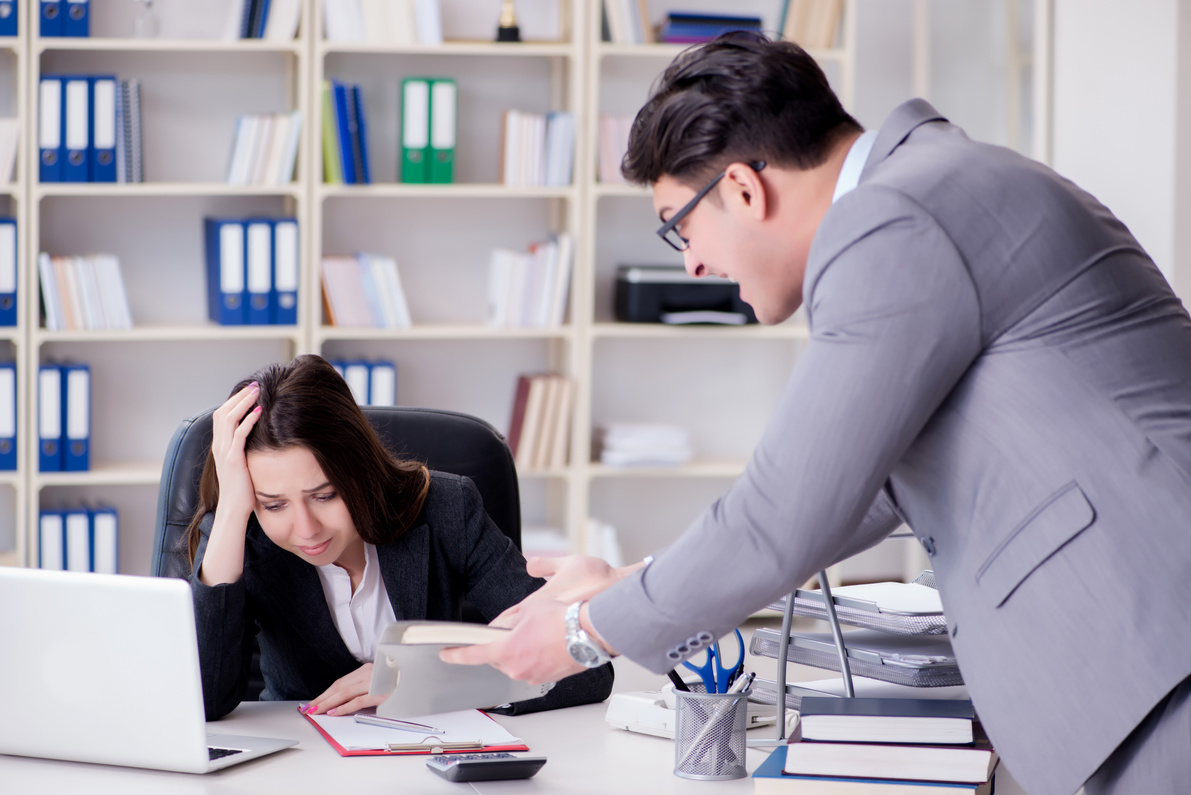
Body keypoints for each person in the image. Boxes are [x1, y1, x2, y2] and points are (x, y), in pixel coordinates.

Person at [442, 33, 1191, 795]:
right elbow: (850, 497)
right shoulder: (930, 191)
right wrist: (626, 583)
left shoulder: (891, 218)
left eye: (679, 227)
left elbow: (783, 511)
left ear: (741, 188)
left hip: (1158, 662)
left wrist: (582, 634)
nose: (691, 264)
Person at [186, 353, 613, 721]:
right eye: (274, 504)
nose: (305, 528)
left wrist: (433, 682)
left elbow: (586, 667)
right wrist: (230, 515)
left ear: (360, 470)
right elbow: (201, 703)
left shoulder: (447, 509)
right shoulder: (245, 535)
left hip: (437, 759)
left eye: (326, 495)